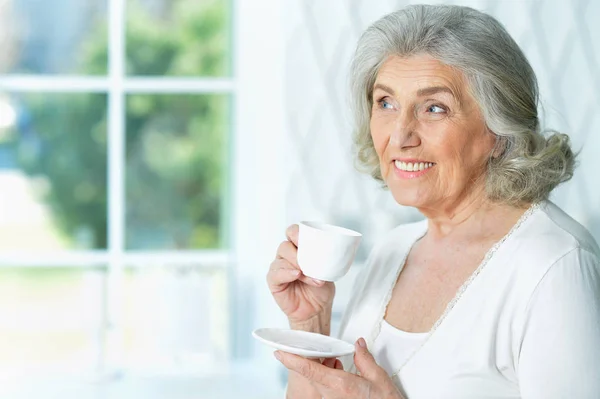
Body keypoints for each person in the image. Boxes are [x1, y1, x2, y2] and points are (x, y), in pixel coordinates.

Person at [266, 4, 600, 399]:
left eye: (434, 108)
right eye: (385, 103)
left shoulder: (554, 264)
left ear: (499, 131)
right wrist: (312, 327)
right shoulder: (392, 250)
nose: (401, 135)